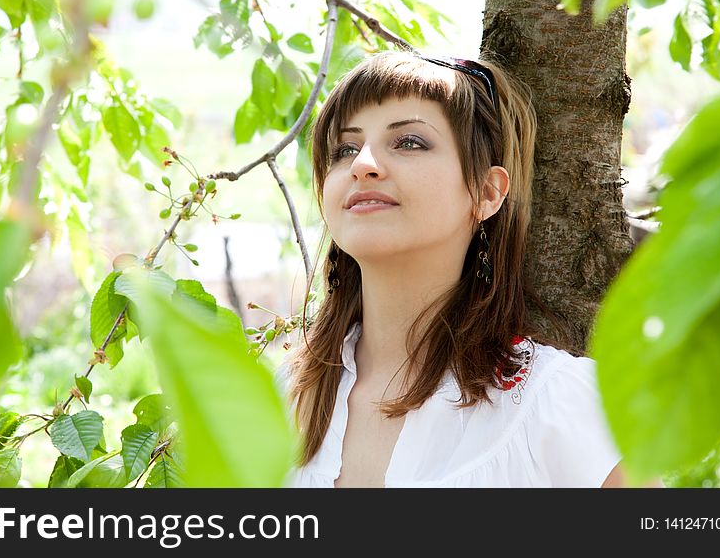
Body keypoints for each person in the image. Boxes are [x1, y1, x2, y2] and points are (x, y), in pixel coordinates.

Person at [276, 50, 649, 488]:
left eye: (409, 142)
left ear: (487, 192)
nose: (363, 165)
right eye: (345, 149)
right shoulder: (280, 398)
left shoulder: (558, 405)